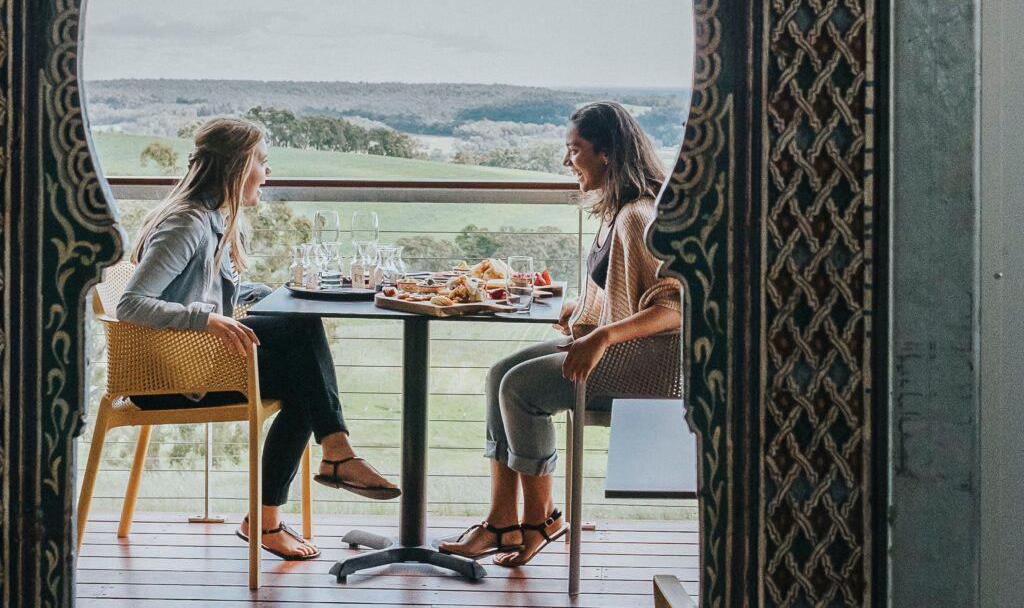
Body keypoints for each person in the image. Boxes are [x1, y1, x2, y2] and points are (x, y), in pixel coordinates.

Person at [117, 116, 400, 561]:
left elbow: (209, 289)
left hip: (195, 362)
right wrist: (206, 320)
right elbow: (131, 304)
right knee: (303, 343)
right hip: (168, 379)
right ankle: (333, 457)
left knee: (303, 373)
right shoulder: (189, 223)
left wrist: (271, 294)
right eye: (262, 162)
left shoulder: (214, 217)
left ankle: (273, 514)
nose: (267, 172)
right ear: (236, 167)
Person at [439, 101, 682, 566]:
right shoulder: (617, 210)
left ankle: (540, 518)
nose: (565, 162)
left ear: (607, 153)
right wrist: (582, 314)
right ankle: (501, 521)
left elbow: (673, 307)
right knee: (500, 373)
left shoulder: (639, 215)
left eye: (574, 150)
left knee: (522, 387)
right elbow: (614, 293)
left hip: (648, 366)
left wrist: (602, 337)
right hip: (618, 350)